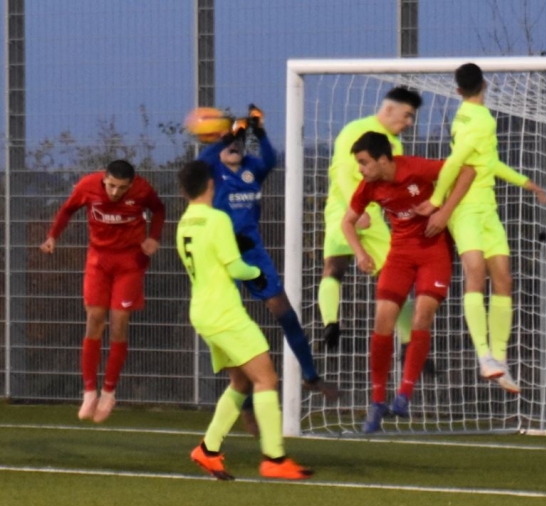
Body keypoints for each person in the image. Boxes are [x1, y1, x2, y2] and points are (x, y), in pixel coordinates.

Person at [198, 105, 337, 433]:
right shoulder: (211, 170)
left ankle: (310, 376)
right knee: (234, 327)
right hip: (222, 258)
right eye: (229, 142)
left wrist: (258, 132)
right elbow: (205, 158)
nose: (235, 146)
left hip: (253, 254)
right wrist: (227, 135)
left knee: (285, 313)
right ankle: (246, 403)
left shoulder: (251, 169)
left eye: (239, 142)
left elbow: (271, 159)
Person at [177, 160, 312, 481]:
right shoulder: (217, 219)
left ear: (183, 191)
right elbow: (236, 268)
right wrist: (258, 273)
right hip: (224, 312)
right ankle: (274, 458)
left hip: (203, 311)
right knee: (266, 379)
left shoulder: (184, 223)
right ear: (211, 185)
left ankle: (208, 450)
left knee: (241, 382)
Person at [420, 62, 546, 394]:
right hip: (465, 209)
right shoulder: (478, 121)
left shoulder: (468, 116)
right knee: (475, 272)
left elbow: (488, 162)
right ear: (485, 84)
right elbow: (454, 162)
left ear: (458, 90)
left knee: (503, 279)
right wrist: (437, 201)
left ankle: (500, 361)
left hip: (487, 209)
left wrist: (526, 183)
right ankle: (484, 356)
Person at [343, 132, 475, 433]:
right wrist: (360, 253)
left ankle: (404, 394)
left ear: (383, 160)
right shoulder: (369, 187)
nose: (360, 169)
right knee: (383, 320)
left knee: (421, 316)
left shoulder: (416, 168)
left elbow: (467, 171)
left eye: (363, 162)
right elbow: (347, 222)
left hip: (434, 252)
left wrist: (445, 212)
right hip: (400, 255)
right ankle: (378, 401)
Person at [40, 160, 165, 423]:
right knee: (94, 320)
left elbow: (158, 209)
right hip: (98, 261)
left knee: (119, 322)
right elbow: (67, 209)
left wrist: (154, 237)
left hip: (129, 263)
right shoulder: (88, 185)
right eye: (111, 186)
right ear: (104, 179)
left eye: (122, 188)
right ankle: (89, 392)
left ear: (131, 184)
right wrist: (52, 236)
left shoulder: (143, 189)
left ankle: (109, 391)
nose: (115, 192)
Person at [320, 87, 430, 374]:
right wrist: (355, 212)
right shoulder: (355, 130)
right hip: (344, 208)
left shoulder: (395, 146)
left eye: (412, 118)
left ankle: (409, 344)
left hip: (373, 217)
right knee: (334, 266)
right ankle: (330, 323)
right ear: (390, 109)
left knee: (396, 277)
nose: (408, 122)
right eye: (407, 115)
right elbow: (342, 173)